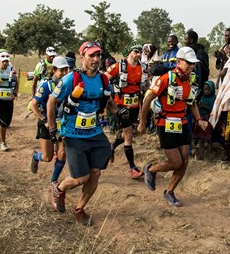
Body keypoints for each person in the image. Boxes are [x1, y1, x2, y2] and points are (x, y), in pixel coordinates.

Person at [47, 41, 123, 226]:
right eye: (92, 55)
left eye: (98, 55)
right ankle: (59, 188)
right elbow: (51, 102)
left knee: (95, 173)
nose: (96, 59)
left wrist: (121, 112)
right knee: (81, 178)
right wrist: (52, 130)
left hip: (95, 133)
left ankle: (80, 209)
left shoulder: (104, 79)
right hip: (73, 134)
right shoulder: (70, 79)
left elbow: (109, 102)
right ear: (83, 57)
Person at [137, 46, 208, 207]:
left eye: (193, 64)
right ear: (179, 61)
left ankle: (169, 191)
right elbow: (148, 99)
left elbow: (191, 103)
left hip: (182, 123)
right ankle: (152, 169)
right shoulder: (166, 79)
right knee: (175, 162)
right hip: (165, 123)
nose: (191, 66)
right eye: (188, 63)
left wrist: (199, 119)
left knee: (184, 161)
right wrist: (142, 122)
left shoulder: (190, 80)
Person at [105, 43, 148, 178]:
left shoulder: (143, 68)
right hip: (120, 105)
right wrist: (106, 95)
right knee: (128, 134)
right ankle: (132, 168)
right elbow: (104, 78)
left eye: (140, 52)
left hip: (135, 104)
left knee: (128, 133)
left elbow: (146, 85)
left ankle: (112, 146)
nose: (138, 54)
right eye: (136, 51)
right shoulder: (119, 66)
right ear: (129, 52)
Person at [28, 56, 71, 185]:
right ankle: (35, 157)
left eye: (66, 70)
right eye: (61, 70)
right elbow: (33, 105)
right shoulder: (46, 85)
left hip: (61, 124)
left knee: (62, 153)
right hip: (46, 124)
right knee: (48, 157)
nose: (64, 73)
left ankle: (54, 180)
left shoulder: (69, 84)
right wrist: (44, 119)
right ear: (53, 70)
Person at [192, 81, 216, 150]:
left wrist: (204, 106)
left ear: (212, 90)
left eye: (208, 89)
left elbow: (213, 109)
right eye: (205, 89)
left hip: (208, 117)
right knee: (198, 127)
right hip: (201, 116)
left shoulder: (213, 98)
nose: (207, 91)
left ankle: (206, 141)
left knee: (207, 128)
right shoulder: (203, 97)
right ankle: (198, 140)